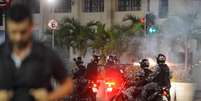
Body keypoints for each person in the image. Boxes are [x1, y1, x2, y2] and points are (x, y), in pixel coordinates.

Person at [0, 4, 73, 101]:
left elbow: (67, 84)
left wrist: (49, 97)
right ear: (8, 28)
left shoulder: (46, 54)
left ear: (31, 26)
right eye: (13, 32)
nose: (18, 37)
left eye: (23, 32)